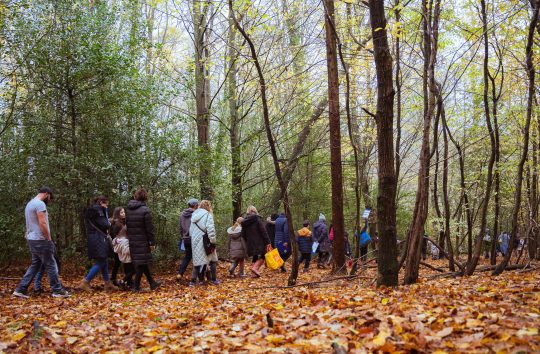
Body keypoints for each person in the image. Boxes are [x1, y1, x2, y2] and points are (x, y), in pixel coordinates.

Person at [13, 187, 70, 298]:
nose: (49, 200)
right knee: (51, 264)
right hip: (41, 239)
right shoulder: (40, 204)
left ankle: (21, 289)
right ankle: (57, 290)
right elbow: (42, 223)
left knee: (35, 264)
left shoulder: (29, 203)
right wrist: (48, 238)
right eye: (49, 197)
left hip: (32, 239)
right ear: (46, 194)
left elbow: (29, 222)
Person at [79, 196, 118, 292]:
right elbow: (106, 225)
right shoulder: (99, 211)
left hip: (96, 238)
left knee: (104, 259)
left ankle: (107, 283)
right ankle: (85, 281)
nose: (107, 205)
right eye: (106, 203)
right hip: (98, 238)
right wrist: (108, 217)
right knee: (101, 261)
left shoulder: (94, 210)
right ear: (101, 202)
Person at [126, 187, 161, 291]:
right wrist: (152, 242)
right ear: (145, 197)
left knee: (142, 262)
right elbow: (149, 229)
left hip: (132, 240)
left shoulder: (128, 209)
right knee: (141, 264)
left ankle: (152, 283)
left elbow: (128, 226)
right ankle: (136, 287)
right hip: (143, 241)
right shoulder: (145, 210)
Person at [189, 200, 219, 286]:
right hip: (206, 240)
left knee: (198, 260)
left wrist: (194, 238)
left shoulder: (194, 215)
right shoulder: (208, 215)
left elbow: (190, 231)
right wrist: (213, 240)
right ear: (208, 206)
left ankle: (197, 281)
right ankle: (214, 279)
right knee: (213, 260)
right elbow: (211, 229)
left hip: (195, 240)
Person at [241, 206, 272, 277]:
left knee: (255, 256)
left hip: (250, 243)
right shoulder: (257, 218)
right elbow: (263, 231)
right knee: (264, 255)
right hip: (260, 241)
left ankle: (253, 273)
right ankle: (255, 268)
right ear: (255, 211)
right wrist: (268, 241)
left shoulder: (244, 221)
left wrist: (248, 241)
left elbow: (243, 234)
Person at [177, 198, 199, 281]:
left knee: (187, 256)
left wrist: (183, 236)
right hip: (194, 238)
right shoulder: (196, 214)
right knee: (197, 257)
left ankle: (180, 274)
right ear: (195, 205)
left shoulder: (182, 214)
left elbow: (180, 228)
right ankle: (196, 277)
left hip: (185, 239)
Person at [112, 216, 134, 289]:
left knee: (128, 271)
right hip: (128, 258)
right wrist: (133, 250)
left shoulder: (116, 240)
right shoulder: (124, 241)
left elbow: (115, 244)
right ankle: (123, 281)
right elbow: (126, 250)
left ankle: (128, 283)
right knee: (134, 270)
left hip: (124, 259)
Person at [110, 207, 126, 286]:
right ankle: (113, 279)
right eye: (122, 212)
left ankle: (113, 279)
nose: (124, 214)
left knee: (118, 262)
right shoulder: (117, 223)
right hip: (118, 245)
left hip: (120, 245)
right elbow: (114, 235)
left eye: (124, 212)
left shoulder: (122, 222)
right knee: (118, 262)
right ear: (117, 214)